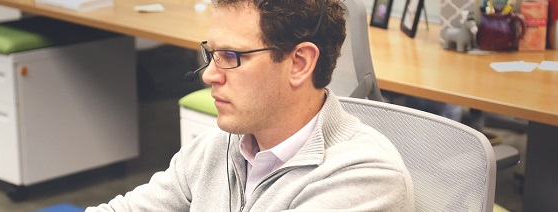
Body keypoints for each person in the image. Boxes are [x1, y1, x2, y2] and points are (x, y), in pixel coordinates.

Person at [87, 0, 414, 211]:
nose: (209, 76)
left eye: (231, 56)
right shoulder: (219, 145)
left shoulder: (365, 179)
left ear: (299, 63)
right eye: (211, 54)